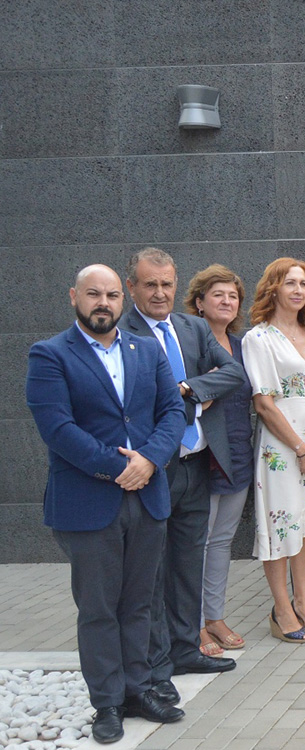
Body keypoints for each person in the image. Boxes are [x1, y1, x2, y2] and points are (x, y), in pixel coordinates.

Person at [28, 265, 188, 743]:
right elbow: (57, 429)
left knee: (139, 603)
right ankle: (107, 703)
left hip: (148, 496)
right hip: (88, 502)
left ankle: (138, 689)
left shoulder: (146, 349)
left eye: (112, 294)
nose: (103, 302)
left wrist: (151, 461)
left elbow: (173, 411)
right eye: (94, 294)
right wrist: (117, 468)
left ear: (124, 299)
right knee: (99, 608)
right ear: (74, 296)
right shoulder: (50, 354)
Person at [118, 248, 242, 701]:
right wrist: (178, 399)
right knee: (151, 571)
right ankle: (155, 660)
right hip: (154, 467)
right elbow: (134, 398)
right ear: (132, 288)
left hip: (197, 462)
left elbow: (233, 372)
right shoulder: (123, 331)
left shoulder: (190, 327)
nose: (159, 293)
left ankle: (187, 648)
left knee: (188, 562)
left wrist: (190, 388)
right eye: (149, 284)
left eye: (166, 284)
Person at [242, 258, 305, 643]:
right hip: (282, 448)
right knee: (282, 523)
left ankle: (304, 603)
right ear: (273, 289)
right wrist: (301, 448)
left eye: (303, 284)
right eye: (290, 284)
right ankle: (281, 609)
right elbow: (264, 403)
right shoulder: (258, 338)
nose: (299, 290)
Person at [182, 265, 253, 658]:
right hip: (205, 456)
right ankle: (189, 624)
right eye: (218, 295)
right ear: (199, 302)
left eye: (233, 296)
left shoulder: (243, 346)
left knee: (222, 540)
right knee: (198, 542)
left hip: (240, 451)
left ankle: (215, 616)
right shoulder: (188, 344)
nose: (227, 302)